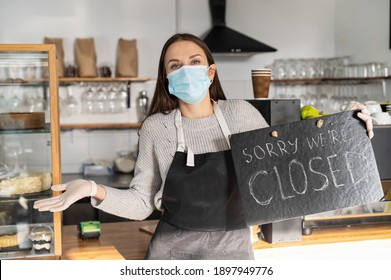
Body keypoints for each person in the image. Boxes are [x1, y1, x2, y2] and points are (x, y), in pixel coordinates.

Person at [34, 33, 374, 260]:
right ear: (167, 78)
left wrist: (350, 134)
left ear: (210, 72)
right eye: (175, 66)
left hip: (236, 254)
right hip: (172, 255)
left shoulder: (241, 114)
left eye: (195, 62)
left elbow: (291, 171)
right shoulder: (157, 128)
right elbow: (141, 204)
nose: (186, 71)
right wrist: (93, 189)